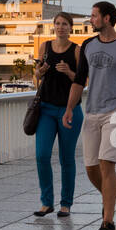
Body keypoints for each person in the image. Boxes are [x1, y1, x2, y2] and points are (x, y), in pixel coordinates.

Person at [63, 1, 116, 230]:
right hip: (92, 112)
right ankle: (109, 199)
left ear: (107, 18)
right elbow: (79, 81)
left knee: (107, 163)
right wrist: (68, 109)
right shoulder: (87, 45)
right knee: (90, 167)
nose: (91, 20)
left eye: (94, 16)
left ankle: (108, 221)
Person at [32, 13, 82, 217]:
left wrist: (69, 71)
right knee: (42, 155)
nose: (61, 27)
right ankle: (46, 202)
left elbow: (81, 81)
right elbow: (36, 74)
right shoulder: (44, 47)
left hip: (69, 109)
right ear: (53, 26)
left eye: (65, 24)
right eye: (57, 24)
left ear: (70, 28)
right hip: (46, 108)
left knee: (66, 158)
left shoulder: (77, 50)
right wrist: (41, 71)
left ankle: (66, 204)